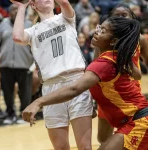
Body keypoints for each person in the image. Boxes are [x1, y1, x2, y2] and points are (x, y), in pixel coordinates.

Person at [22, 16, 148, 150]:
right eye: (99, 27)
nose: (97, 31)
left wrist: (38, 102)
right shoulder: (112, 56)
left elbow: (74, 89)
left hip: (138, 122)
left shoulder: (105, 63)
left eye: (103, 31)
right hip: (131, 121)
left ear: (114, 41)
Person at [11, 0, 93, 149]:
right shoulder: (33, 31)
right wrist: (22, 8)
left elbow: (64, 2)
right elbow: (17, 36)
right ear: (34, 5)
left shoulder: (65, 17)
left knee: (85, 147)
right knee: (60, 147)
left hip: (76, 81)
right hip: (51, 87)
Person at [94, 4, 148, 145]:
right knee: (102, 138)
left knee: (132, 132)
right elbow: (95, 65)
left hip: (128, 93)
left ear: (131, 17)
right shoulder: (104, 40)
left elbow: (138, 73)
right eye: (116, 16)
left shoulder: (140, 40)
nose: (120, 18)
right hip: (107, 92)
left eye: (124, 15)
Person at [0, 4, 33, 125]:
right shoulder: (2, 25)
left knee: (25, 92)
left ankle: (24, 115)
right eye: (12, 10)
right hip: (6, 64)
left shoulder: (29, 25)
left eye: (17, 10)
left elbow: (35, 46)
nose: (14, 12)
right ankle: (10, 114)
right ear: (9, 12)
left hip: (24, 63)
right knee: (7, 91)